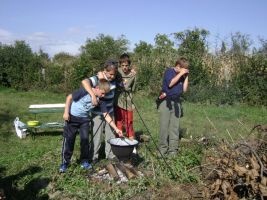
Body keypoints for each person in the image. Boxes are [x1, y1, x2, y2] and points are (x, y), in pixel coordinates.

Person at [59, 79, 122, 173]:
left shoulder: (100, 101)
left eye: (105, 94)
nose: (103, 96)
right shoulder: (84, 91)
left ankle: (84, 161)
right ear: (97, 88)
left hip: (84, 120)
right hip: (71, 119)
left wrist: (116, 129)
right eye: (103, 93)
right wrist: (66, 112)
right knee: (69, 140)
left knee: (85, 141)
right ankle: (65, 163)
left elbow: (106, 115)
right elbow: (69, 97)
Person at [81, 59, 121, 162]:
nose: (112, 76)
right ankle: (94, 156)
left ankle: (110, 155)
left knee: (110, 133)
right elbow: (84, 82)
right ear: (104, 70)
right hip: (97, 113)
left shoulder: (115, 78)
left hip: (110, 111)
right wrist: (92, 95)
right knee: (97, 135)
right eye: (110, 74)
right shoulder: (97, 78)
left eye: (114, 74)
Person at [158, 57, 189, 156]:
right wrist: (180, 74)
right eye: (184, 68)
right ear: (178, 66)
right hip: (166, 102)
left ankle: (173, 151)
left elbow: (184, 90)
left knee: (174, 128)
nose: (186, 70)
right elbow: (170, 84)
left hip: (177, 102)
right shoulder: (169, 72)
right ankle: (162, 149)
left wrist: (186, 76)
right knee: (164, 127)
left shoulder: (183, 75)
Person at [114, 53, 137, 140]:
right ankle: (118, 140)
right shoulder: (116, 72)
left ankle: (131, 141)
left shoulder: (133, 74)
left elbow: (133, 88)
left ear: (129, 65)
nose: (124, 67)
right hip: (118, 100)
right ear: (120, 65)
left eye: (126, 65)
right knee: (119, 121)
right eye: (122, 65)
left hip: (128, 100)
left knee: (129, 121)